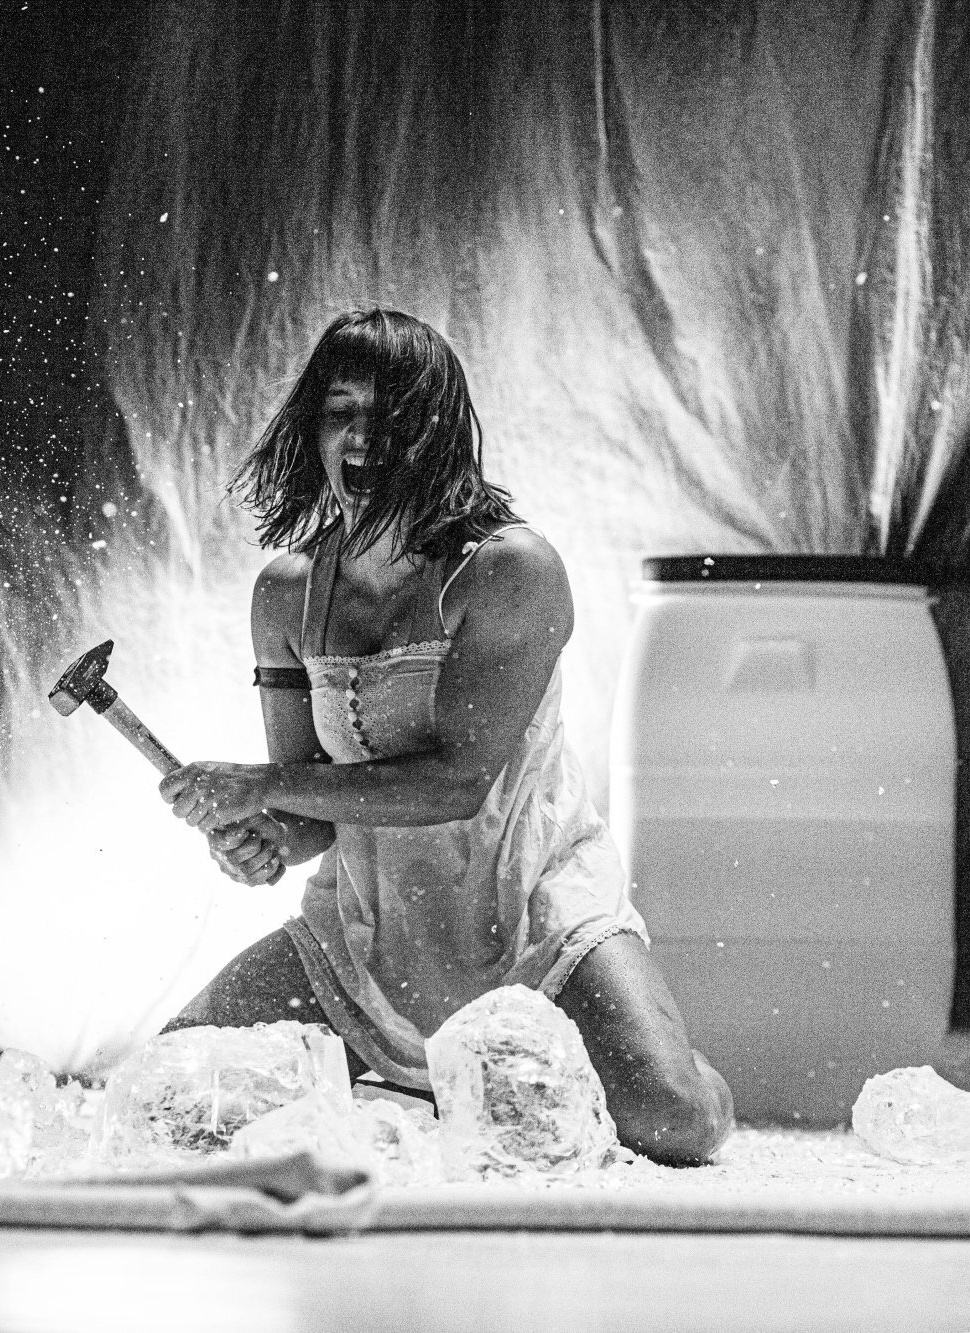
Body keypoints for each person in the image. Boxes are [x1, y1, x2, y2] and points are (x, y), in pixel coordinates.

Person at [157, 309, 733, 1165]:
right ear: (314, 430)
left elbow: (455, 783)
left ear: (435, 432)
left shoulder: (510, 569)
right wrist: (262, 838)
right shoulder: (286, 593)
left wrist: (259, 785)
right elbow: (309, 814)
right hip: (367, 920)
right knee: (171, 1096)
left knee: (673, 1120)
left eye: (389, 414)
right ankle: (435, 1087)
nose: (363, 436)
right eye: (342, 411)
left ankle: (660, 1059)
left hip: (529, 904)